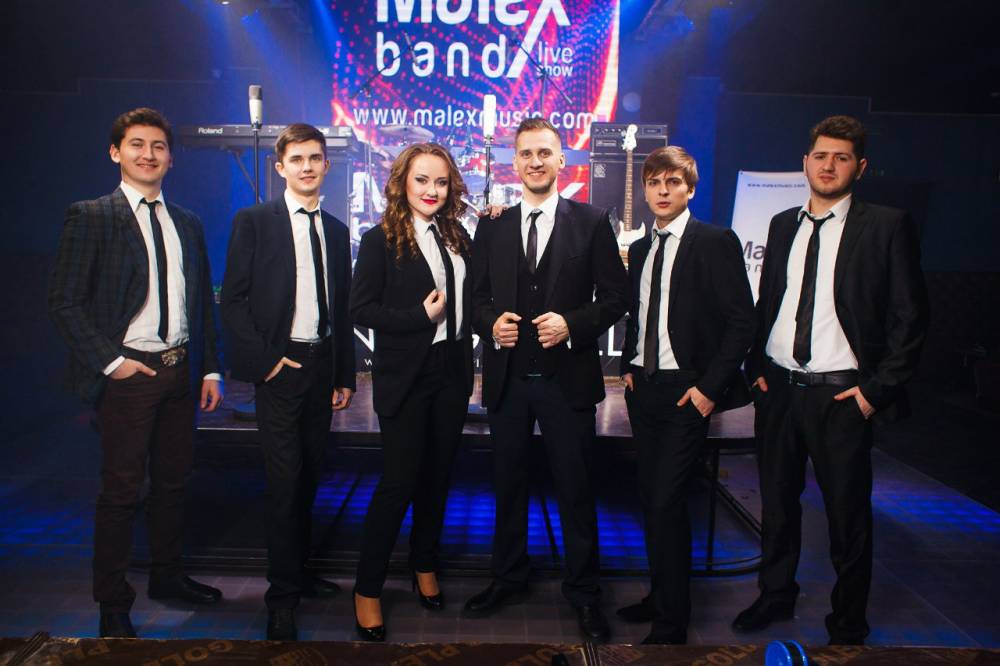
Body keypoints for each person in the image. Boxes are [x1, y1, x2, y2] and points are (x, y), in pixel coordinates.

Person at [732, 115, 928, 645]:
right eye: (820, 155)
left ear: (859, 167)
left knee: (847, 515)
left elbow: (911, 318)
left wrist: (875, 392)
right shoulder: (781, 225)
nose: (828, 165)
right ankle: (775, 595)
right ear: (805, 162)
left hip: (842, 396)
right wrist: (757, 369)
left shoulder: (886, 225)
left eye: (841, 158)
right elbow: (769, 304)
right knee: (777, 505)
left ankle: (847, 620)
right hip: (779, 391)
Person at [48, 107, 224, 638]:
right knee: (121, 492)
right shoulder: (92, 215)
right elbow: (64, 303)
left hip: (179, 372)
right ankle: (112, 604)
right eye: (137, 145)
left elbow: (201, 303)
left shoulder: (187, 222)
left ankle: (167, 576)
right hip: (129, 374)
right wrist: (112, 363)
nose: (148, 154)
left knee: (173, 485)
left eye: (158, 146)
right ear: (115, 152)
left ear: (171, 158)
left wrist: (210, 370)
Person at [465, 117, 628, 643]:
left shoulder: (592, 221)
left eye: (544, 153)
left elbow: (616, 297)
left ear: (562, 160)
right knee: (507, 485)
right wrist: (490, 324)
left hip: (568, 381)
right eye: (526, 154)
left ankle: (584, 593)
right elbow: (475, 298)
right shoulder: (492, 226)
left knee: (576, 490)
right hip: (509, 381)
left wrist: (572, 324)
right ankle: (508, 578)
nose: (535, 162)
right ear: (514, 163)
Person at [220, 123, 356, 641]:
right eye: (296, 159)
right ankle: (281, 601)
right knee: (284, 484)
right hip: (281, 369)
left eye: (314, 158)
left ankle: (299, 572)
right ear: (280, 167)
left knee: (311, 477)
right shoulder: (254, 221)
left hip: (322, 368)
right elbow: (233, 300)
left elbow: (342, 308)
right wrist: (268, 363)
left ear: (326, 165)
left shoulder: (337, 230)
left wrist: (343, 373)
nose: (306, 166)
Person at [615, 146, 755, 644]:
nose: (662, 191)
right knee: (651, 500)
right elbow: (640, 313)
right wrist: (629, 366)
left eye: (673, 182)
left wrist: (709, 389)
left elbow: (742, 321)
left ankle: (672, 624)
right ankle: (660, 597)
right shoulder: (641, 248)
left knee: (667, 501)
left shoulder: (714, 241)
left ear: (690, 189)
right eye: (654, 182)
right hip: (645, 389)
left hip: (686, 394)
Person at [350, 143, 474, 642]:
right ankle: (367, 589)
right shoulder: (379, 239)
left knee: (437, 479)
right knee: (398, 483)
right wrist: (418, 317)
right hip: (406, 376)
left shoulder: (457, 234)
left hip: (452, 373)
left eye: (441, 182)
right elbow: (361, 309)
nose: (431, 191)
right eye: (422, 180)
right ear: (402, 182)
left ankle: (424, 565)